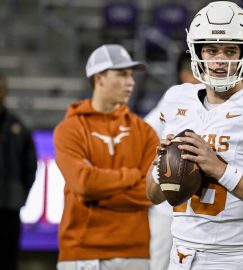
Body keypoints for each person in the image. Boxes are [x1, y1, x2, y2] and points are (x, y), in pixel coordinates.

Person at [146, 2, 243, 269]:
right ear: (197, 52)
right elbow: (154, 196)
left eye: (230, 50)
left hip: (232, 258)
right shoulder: (178, 100)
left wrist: (218, 168)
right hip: (179, 256)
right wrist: (161, 166)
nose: (219, 60)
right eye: (211, 50)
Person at [54, 44, 159, 270]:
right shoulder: (70, 128)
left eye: (131, 75)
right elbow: (82, 182)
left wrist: (95, 191)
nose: (130, 82)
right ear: (99, 78)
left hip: (134, 252)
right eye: (122, 74)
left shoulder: (145, 132)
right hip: (81, 254)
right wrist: (131, 176)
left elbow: (151, 192)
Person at [144, 51, 200, 270]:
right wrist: (161, 160)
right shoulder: (176, 98)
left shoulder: (218, 105)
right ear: (185, 75)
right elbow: (144, 133)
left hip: (198, 211)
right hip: (168, 208)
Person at [0, 73, 37, 270]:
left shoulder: (18, 127)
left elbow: (30, 167)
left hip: (8, 207)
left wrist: (19, 196)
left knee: (8, 259)